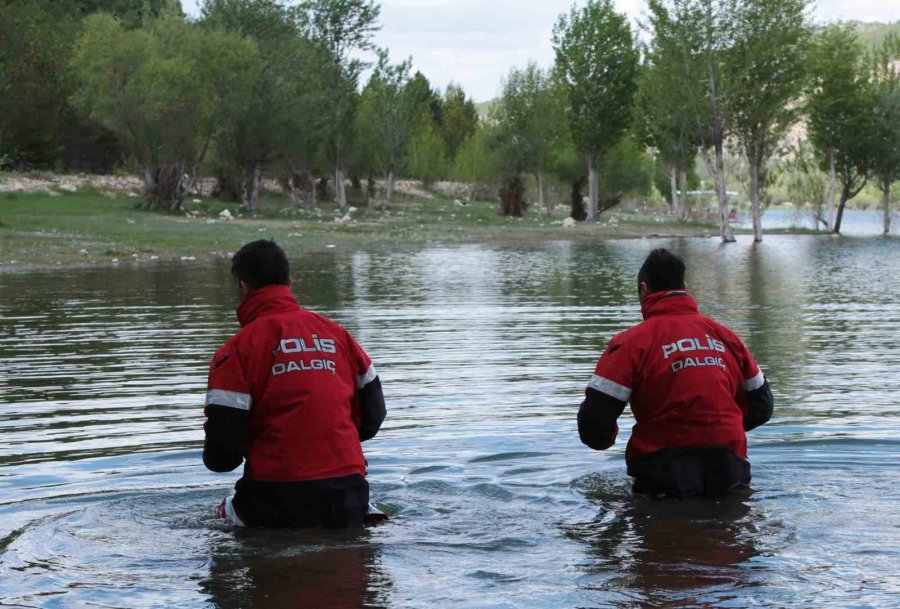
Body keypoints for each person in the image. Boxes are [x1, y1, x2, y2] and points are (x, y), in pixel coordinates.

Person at [203, 239, 386, 527]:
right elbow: (375, 416)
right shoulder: (340, 336)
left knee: (211, 521)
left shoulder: (235, 352)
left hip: (273, 500)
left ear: (243, 287)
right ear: (289, 281)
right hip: (348, 495)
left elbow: (222, 457)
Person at [578, 248, 773, 498]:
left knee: (663, 528)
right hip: (729, 466)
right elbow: (762, 408)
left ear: (644, 290)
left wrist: (609, 440)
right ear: (686, 286)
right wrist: (716, 426)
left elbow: (593, 427)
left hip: (663, 472)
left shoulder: (629, 344)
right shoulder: (728, 338)